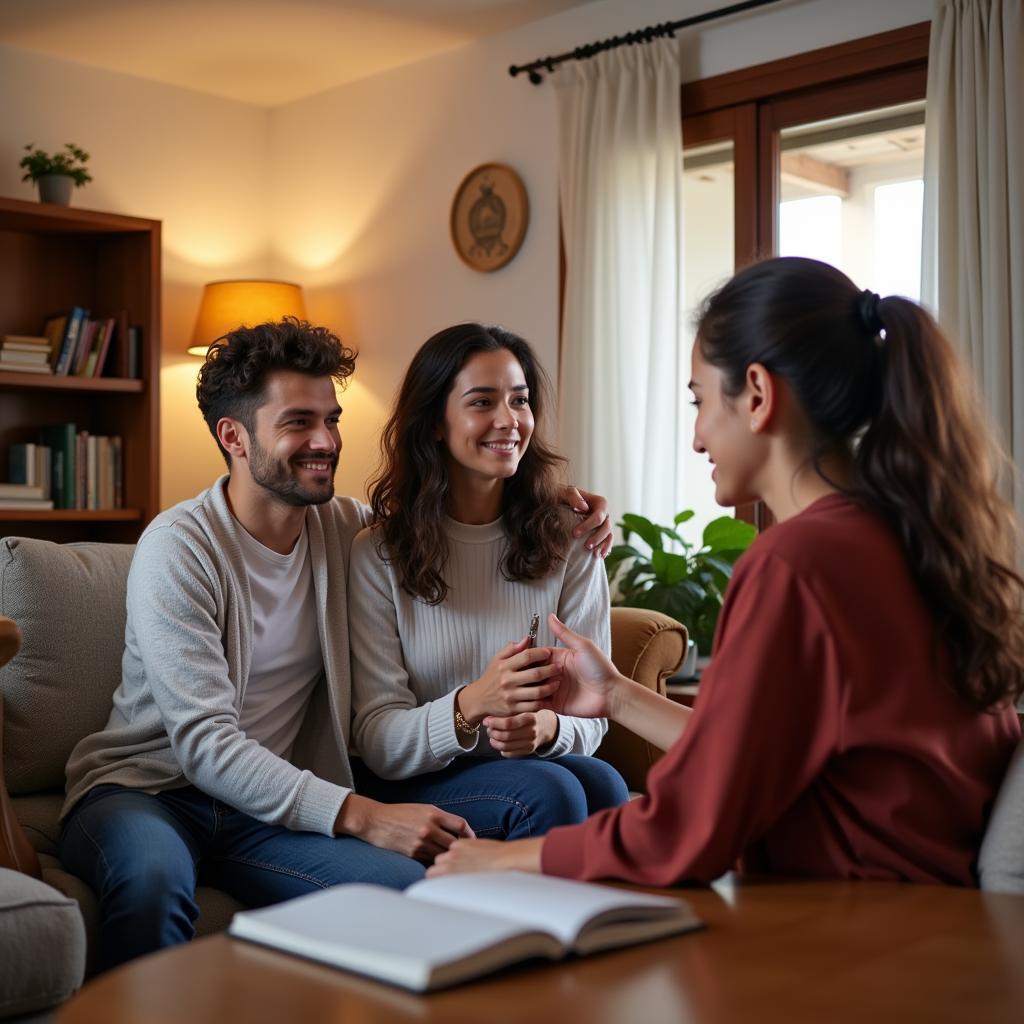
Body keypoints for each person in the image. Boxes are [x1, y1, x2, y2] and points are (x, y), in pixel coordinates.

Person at [428, 257, 1024, 887]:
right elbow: (744, 756)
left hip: (850, 925)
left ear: (760, 396)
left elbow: (686, 831)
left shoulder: (795, 564)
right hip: (927, 911)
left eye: (701, 401)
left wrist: (501, 858)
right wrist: (618, 694)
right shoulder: (908, 535)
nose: (696, 437)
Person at [58, 318, 613, 972]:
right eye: (298, 422)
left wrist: (562, 503)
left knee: (407, 898)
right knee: (151, 883)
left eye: (332, 418)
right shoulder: (178, 549)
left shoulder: (344, 529)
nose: (324, 441)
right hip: (147, 792)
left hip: (265, 812)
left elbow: (445, 517)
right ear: (232, 436)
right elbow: (204, 744)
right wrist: (363, 815)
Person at [347, 323, 630, 841]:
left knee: (605, 784)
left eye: (519, 401)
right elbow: (378, 741)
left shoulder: (572, 534)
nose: (509, 420)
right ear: (435, 421)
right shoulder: (379, 554)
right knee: (553, 792)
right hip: (416, 781)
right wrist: (473, 702)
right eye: (482, 402)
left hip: (525, 768)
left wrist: (548, 730)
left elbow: (595, 714)